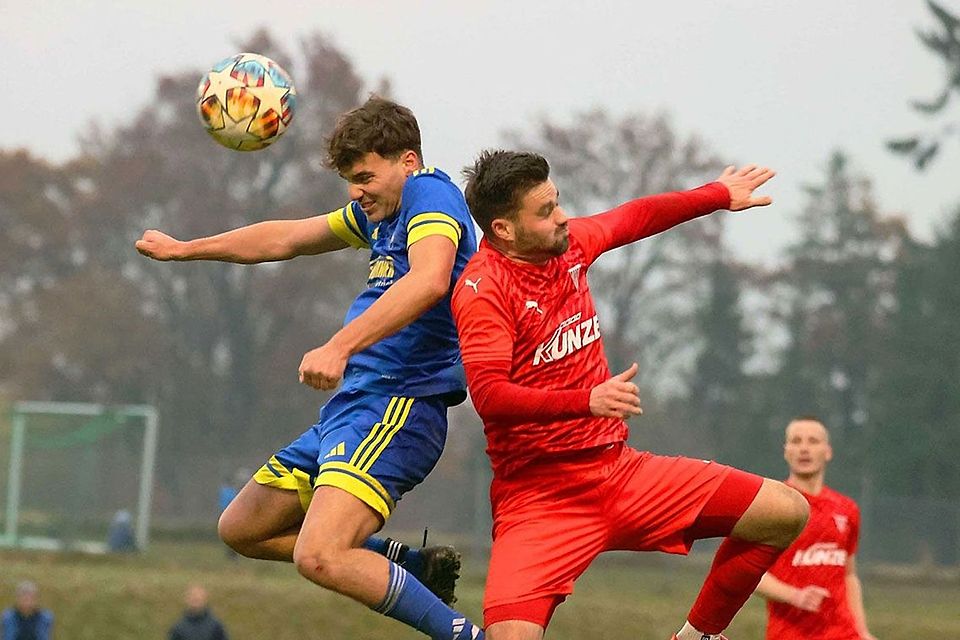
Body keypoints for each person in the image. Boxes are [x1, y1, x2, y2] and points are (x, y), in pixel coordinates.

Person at [136, 97, 482, 640]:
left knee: (318, 555)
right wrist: (186, 250)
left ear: (407, 161)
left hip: (399, 405)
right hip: (353, 407)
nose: (356, 191)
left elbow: (431, 279)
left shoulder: (430, 194)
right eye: (349, 179)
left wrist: (339, 347)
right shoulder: (384, 213)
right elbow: (288, 237)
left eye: (365, 175)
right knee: (244, 528)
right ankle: (407, 566)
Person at [451, 150, 811, 640]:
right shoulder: (484, 289)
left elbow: (635, 216)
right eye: (545, 212)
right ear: (503, 230)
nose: (561, 217)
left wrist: (718, 195)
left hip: (620, 472)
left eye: (556, 202)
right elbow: (490, 396)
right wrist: (587, 401)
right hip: (539, 500)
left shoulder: (570, 245)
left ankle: (699, 636)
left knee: (785, 512)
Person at [754, 417, 876, 640]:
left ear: (827, 451)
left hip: (843, 633)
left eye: (813, 441)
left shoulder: (846, 509)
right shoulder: (772, 505)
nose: (804, 448)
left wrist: (862, 631)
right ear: (786, 451)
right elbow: (751, 575)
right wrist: (794, 596)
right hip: (790, 634)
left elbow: (849, 575)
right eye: (796, 441)